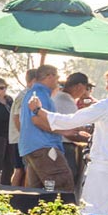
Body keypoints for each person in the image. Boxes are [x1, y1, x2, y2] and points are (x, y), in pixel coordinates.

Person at [30, 68, 108, 215]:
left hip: (104, 166)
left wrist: (39, 111)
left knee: (90, 211)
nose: (107, 87)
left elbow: (71, 120)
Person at [17, 64, 75, 192]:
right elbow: (37, 119)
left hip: (32, 148)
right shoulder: (40, 94)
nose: (58, 80)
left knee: (36, 192)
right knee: (61, 188)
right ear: (49, 76)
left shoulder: (32, 92)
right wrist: (64, 131)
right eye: (57, 76)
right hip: (44, 147)